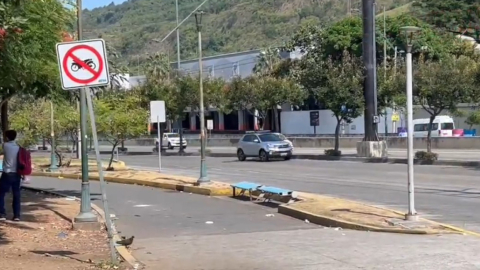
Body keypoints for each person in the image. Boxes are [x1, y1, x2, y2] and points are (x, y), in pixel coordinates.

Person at [0, 130, 21, 221]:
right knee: (16, 194)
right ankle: (16, 215)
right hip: (17, 174)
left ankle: (2, 214)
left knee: (1, 194)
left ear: (7, 137)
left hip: (7, 173)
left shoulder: (5, 145)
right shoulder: (18, 147)